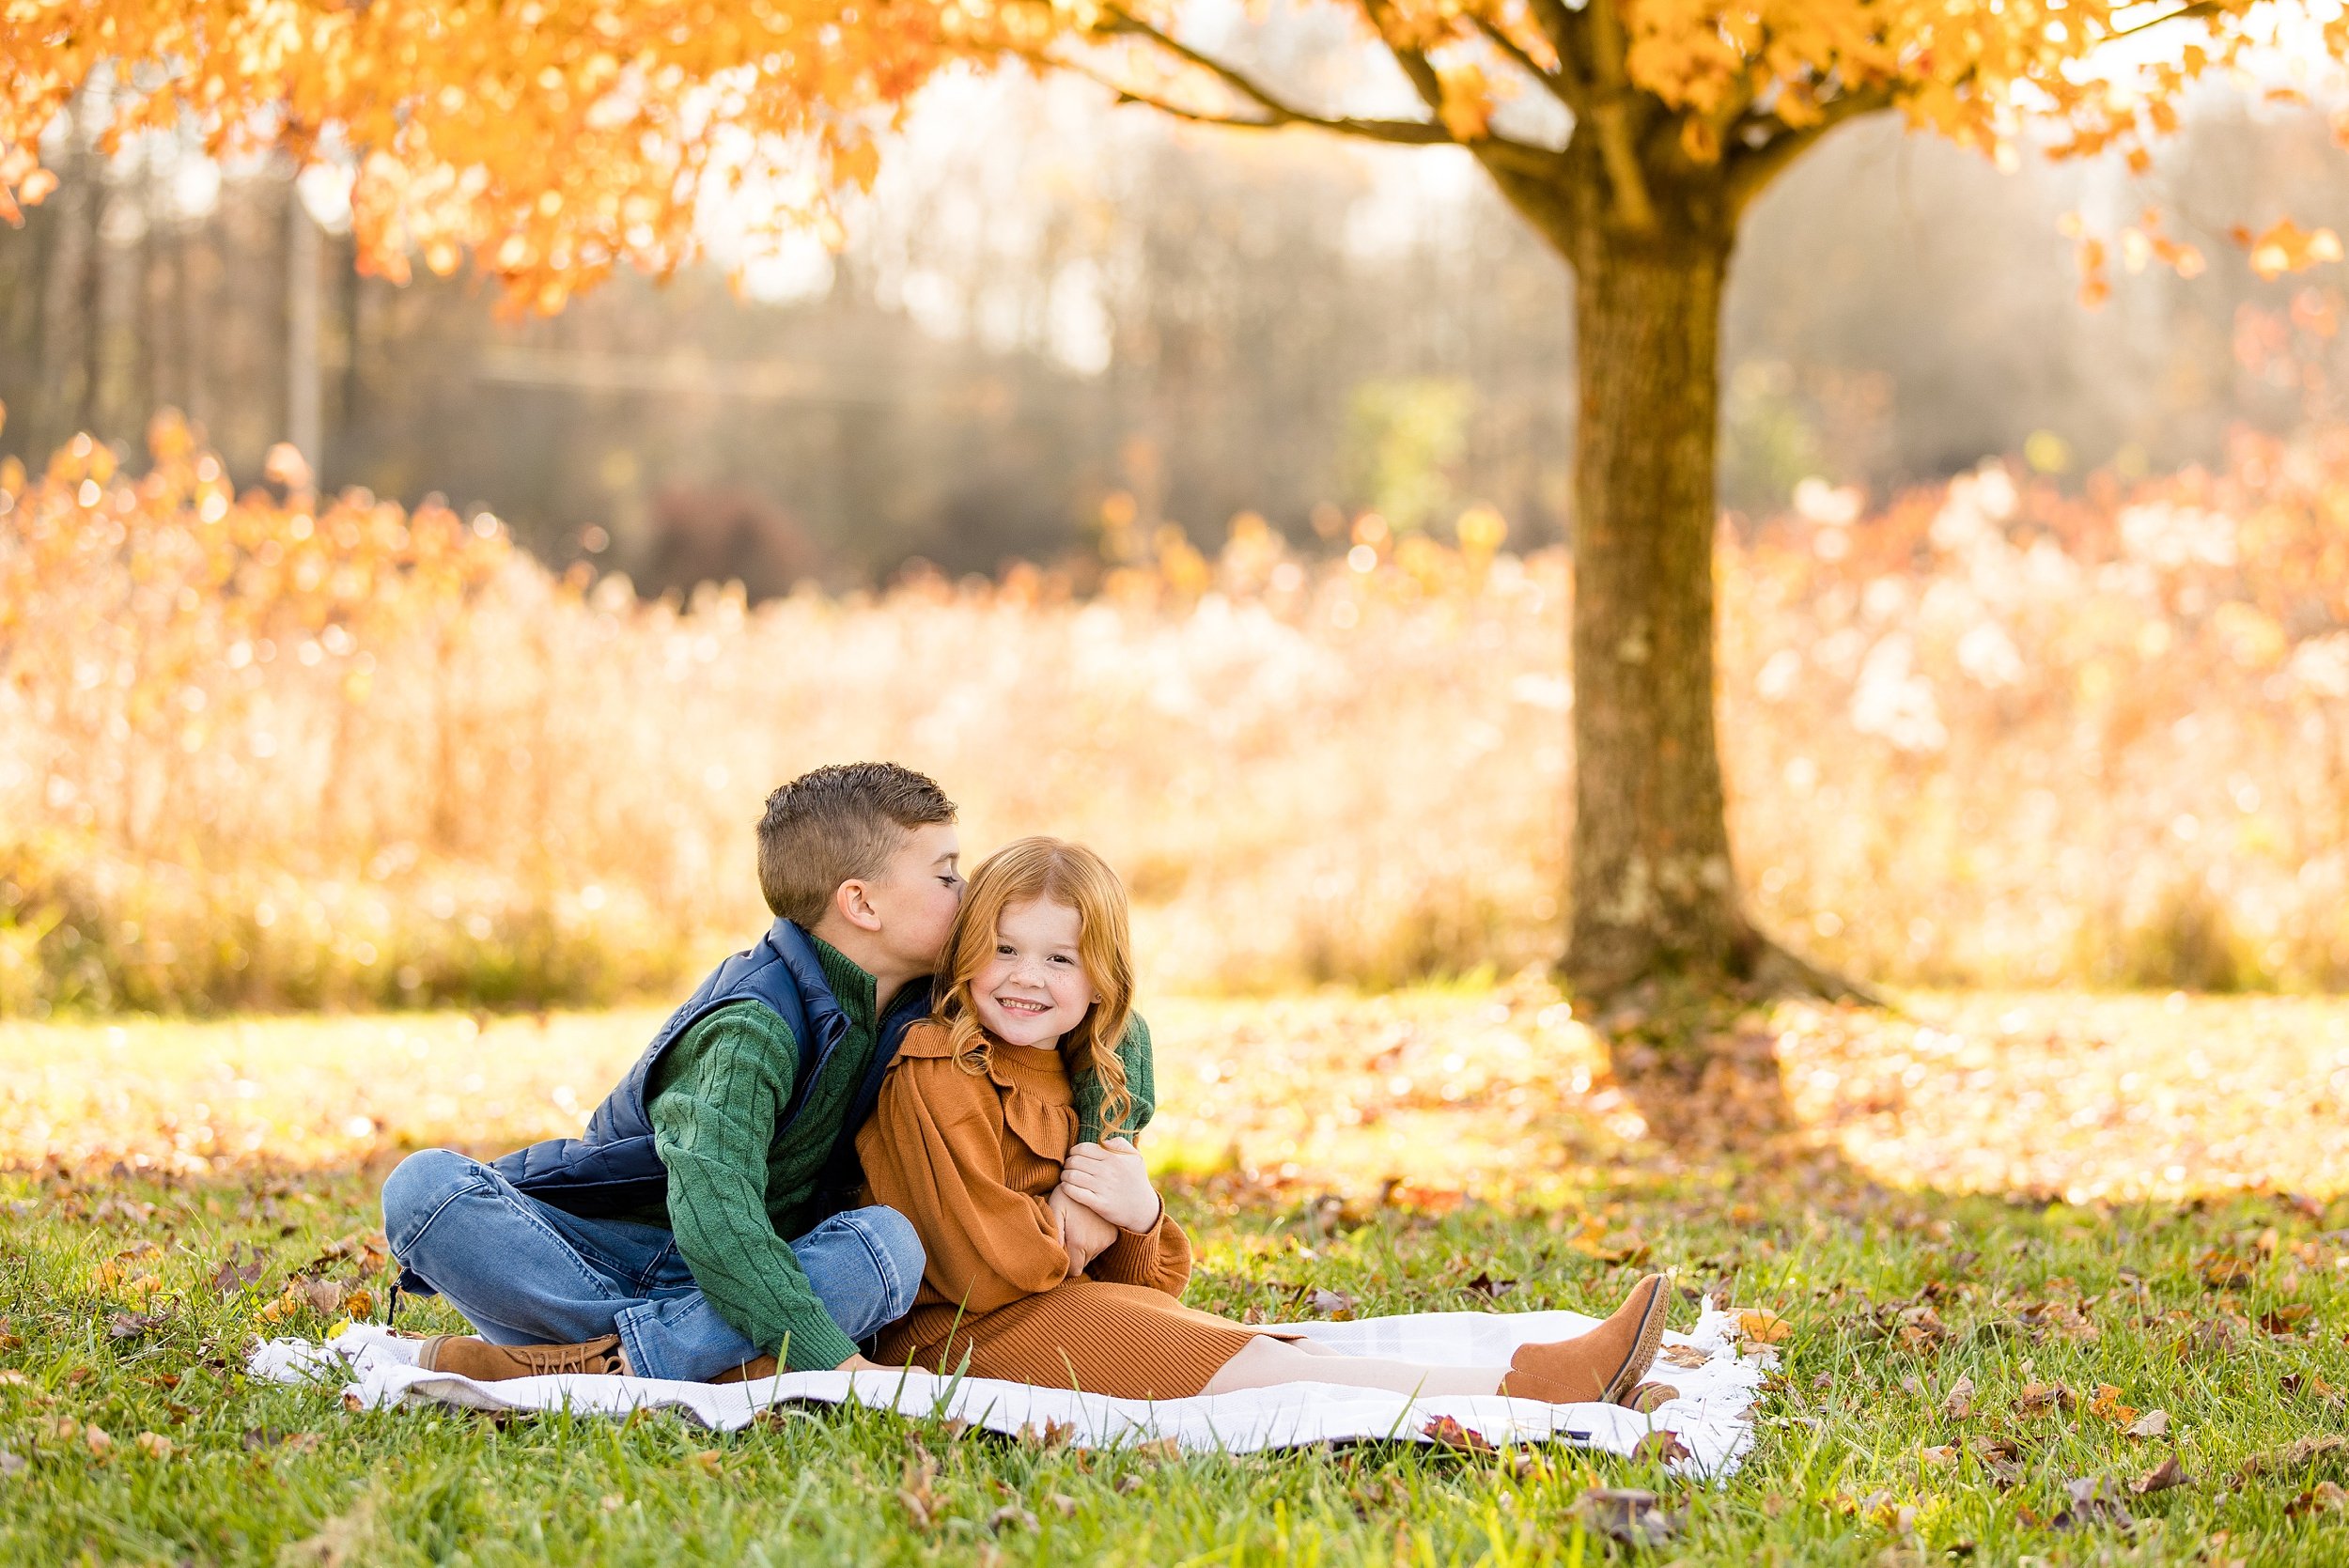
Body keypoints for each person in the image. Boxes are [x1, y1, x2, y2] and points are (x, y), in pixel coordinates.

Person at [378, 763, 1154, 1382]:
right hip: (621, 1250)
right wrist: (837, 1362)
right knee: (424, 1188)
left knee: (885, 1245)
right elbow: (718, 1222)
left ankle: (597, 1363)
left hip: (776, 1267)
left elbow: (1118, 1023)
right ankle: (695, 1357)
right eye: (947, 873)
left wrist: (1103, 1167)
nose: (968, 890)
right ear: (862, 903)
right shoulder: (752, 1026)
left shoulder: (929, 985)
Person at [856, 836, 1671, 1405]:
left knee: (1262, 1348)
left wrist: (1137, 1215)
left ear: (1101, 980)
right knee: (1247, 1365)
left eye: (1059, 958)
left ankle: (1542, 1378)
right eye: (1003, 949)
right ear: (966, 955)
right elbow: (983, 1267)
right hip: (952, 1335)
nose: (1026, 978)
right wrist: (1076, 1226)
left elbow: (1148, 1283)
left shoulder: (1081, 1070)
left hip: (1040, 1308)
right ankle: (1534, 1388)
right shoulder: (940, 1067)